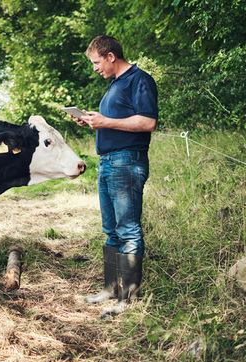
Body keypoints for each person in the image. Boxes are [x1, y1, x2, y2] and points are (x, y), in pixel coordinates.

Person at [69, 35, 158, 318]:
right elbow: (117, 123)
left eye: (96, 62)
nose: (95, 68)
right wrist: (91, 121)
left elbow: (148, 122)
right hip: (107, 162)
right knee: (111, 231)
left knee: (128, 229)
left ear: (110, 57)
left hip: (126, 162)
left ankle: (128, 298)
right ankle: (110, 287)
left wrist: (105, 121)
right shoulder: (114, 85)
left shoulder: (138, 79)